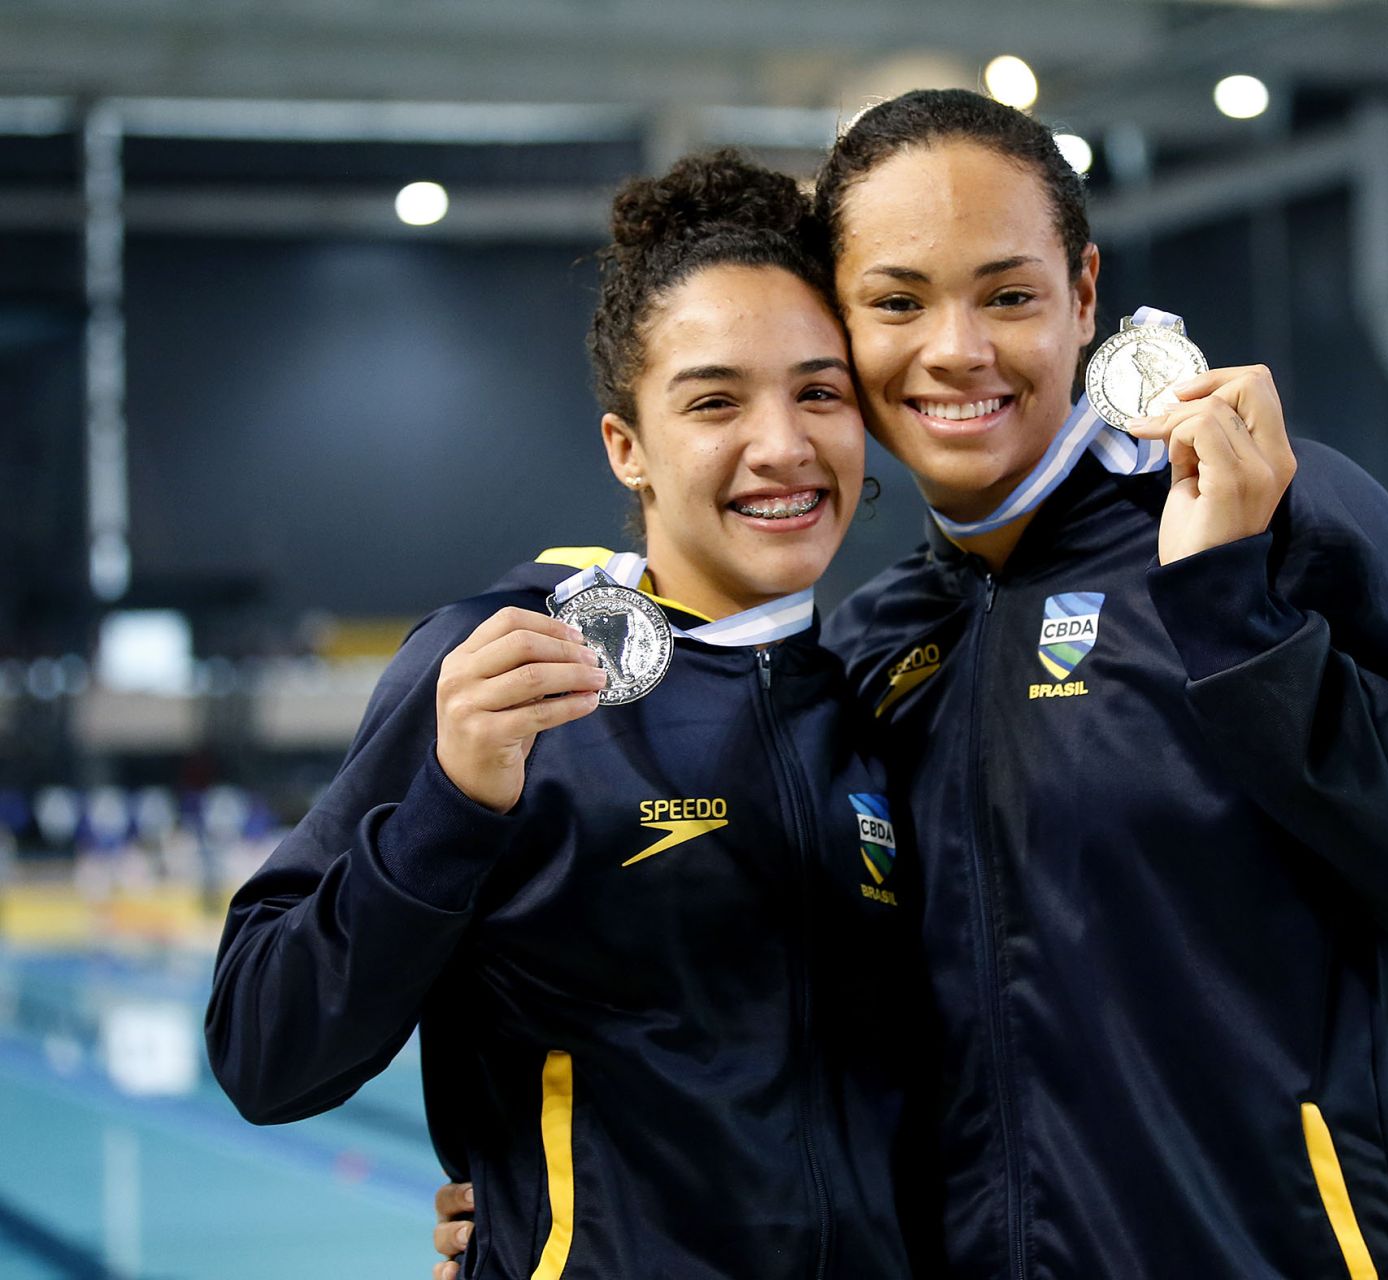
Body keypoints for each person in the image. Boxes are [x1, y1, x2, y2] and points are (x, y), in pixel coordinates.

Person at [440, 89, 1388, 1279]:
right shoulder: (873, 651)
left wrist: (1241, 623)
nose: (958, 350)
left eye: (1009, 294)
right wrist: (539, 1202)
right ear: (841, 327)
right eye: (897, 301)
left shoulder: (1265, 512)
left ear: (1084, 294)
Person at [206, 152, 928, 1278]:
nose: (782, 444)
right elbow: (265, 1049)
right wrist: (447, 810)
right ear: (626, 445)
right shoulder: (508, 667)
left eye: (818, 390)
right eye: (715, 399)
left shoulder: (875, 701)